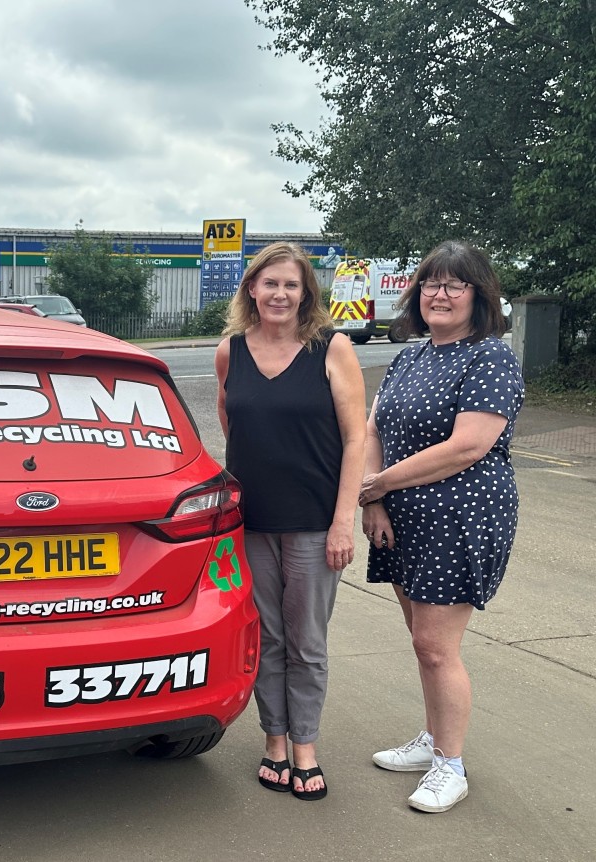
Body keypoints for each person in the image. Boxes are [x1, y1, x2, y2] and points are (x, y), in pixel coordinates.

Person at [360, 240, 524, 813]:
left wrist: (377, 486)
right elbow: (373, 430)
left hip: (461, 518)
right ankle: (433, 740)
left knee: (435, 646)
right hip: (402, 515)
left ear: (480, 296)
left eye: (456, 284)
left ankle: (450, 766)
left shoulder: (490, 358)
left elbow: (467, 447)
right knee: (421, 640)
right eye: (431, 283)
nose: (440, 294)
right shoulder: (409, 358)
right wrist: (375, 501)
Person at [215, 242, 366, 801]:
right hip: (251, 523)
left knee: (306, 642)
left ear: (306, 294)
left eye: (291, 285)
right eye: (270, 283)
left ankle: (305, 747)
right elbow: (232, 422)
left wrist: (343, 521)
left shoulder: (332, 348)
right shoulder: (230, 350)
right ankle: (274, 741)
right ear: (252, 289)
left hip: (313, 523)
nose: (280, 294)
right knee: (267, 638)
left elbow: (356, 439)